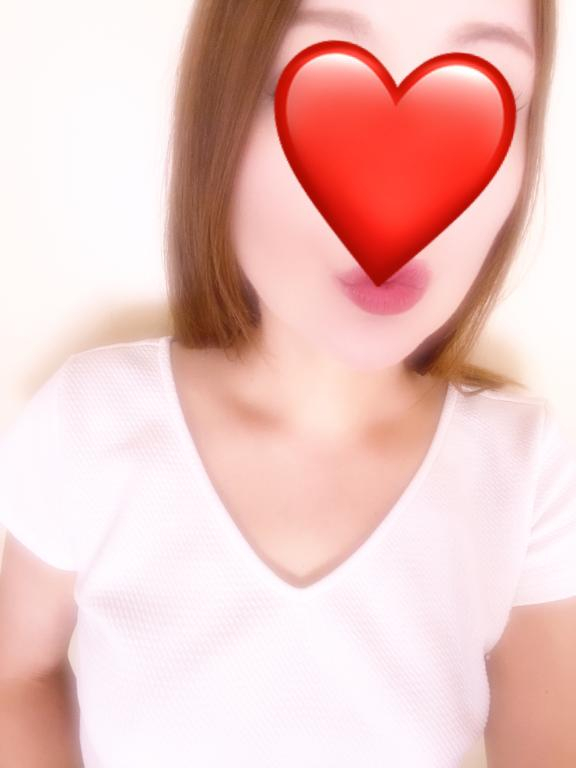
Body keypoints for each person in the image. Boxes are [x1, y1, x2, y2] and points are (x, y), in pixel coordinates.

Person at [1, 0, 575, 766]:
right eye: (324, 87)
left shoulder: (525, 473)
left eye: (483, 94)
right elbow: (15, 675)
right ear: (222, 110)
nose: (395, 197)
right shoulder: (90, 421)